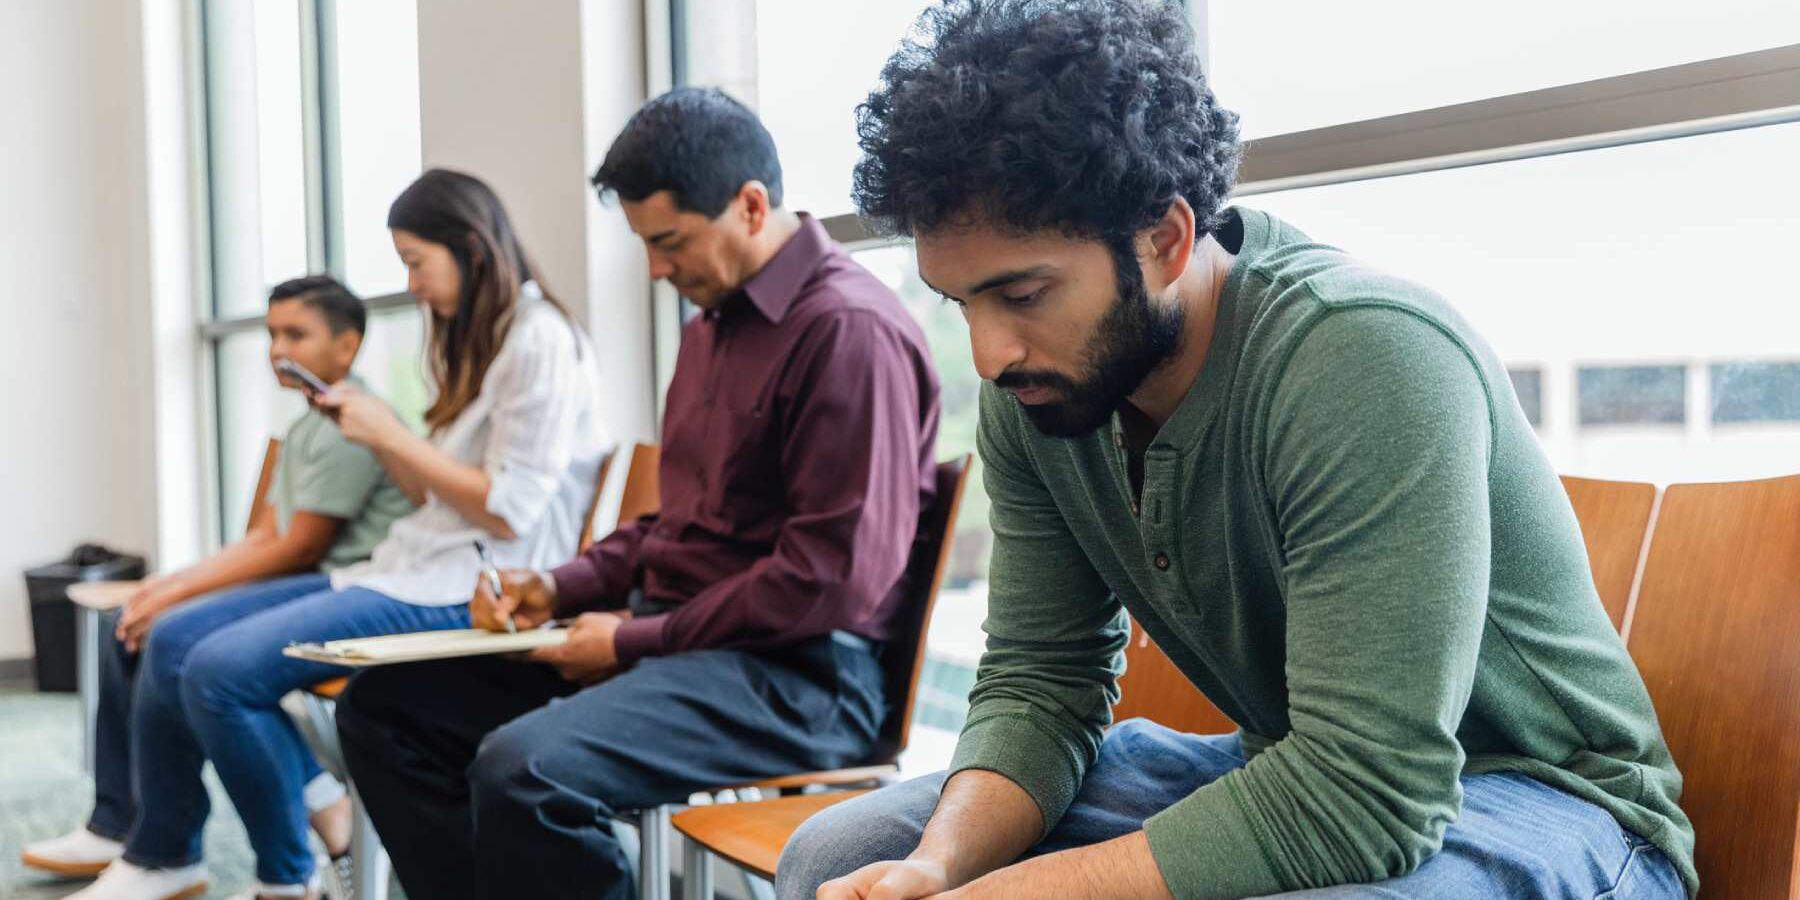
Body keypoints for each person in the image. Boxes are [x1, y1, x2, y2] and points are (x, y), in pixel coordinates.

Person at [778, 2, 1696, 899]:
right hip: (1295, 765)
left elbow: (1370, 790)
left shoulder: (1366, 354)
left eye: (1022, 294)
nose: (988, 353)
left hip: (1547, 803)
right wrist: (941, 870)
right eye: (959, 301)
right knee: (841, 853)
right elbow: (1041, 680)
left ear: (1167, 239)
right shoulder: (1039, 392)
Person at [334, 87, 942, 900]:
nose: (656, 269)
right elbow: (674, 525)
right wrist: (557, 585)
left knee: (525, 774)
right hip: (685, 644)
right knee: (385, 711)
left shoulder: (848, 332)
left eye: (670, 242)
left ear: (751, 206)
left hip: (802, 677)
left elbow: (828, 580)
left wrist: (630, 641)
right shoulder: (709, 329)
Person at [70, 168, 608, 900]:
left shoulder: (539, 341)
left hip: (476, 586)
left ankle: (287, 877)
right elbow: (432, 492)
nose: (412, 284)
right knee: (169, 637)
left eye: (417, 263)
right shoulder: (486, 343)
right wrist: (380, 436)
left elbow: (510, 510)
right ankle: (170, 854)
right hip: (411, 563)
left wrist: (391, 431)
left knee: (218, 673)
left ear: (472, 249)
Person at [21, 276, 415, 885]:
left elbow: (298, 549)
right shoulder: (310, 423)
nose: (278, 350)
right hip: (307, 582)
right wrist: (167, 585)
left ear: (348, 346)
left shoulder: (353, 424)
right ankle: (126, 826)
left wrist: (174, 595)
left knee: (177, 646)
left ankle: (187, 844)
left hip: (341, 588)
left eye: (296, 334)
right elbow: (264, 538)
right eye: (271, 335)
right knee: (132, 625)